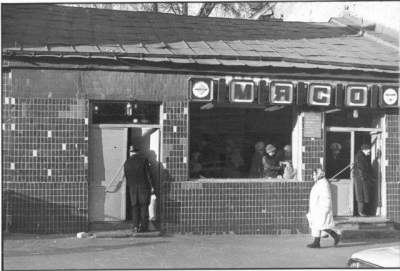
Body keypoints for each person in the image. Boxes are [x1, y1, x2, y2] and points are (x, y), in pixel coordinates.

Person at [306, 167, 340, 248]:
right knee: (318, 225)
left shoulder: (323, 184)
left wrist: (325, 209)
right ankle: (317, 242)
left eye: (314, 174)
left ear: (319, 175)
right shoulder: (319, 182)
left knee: (321, 225)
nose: (313, 176)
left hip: (321, 209)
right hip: (316, 208)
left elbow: (327, 197)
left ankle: (332, 237)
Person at [124, 146, 153, 233]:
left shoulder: (127, 162)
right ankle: (144, 227)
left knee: (135, 207)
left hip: (133, 189)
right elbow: (148, 175)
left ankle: (135, 227)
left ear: (131, 152)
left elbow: (127, 177)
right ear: (138, 151)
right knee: (144, 207)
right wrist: (151, 187)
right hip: (143, 188)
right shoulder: (144, 160)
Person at [353, 144, 374, 216]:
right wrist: (364, 177)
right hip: (361, 179)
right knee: (361, 195)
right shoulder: (360, 156)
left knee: (363, 195)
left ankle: (361, 211)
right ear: (364, 150)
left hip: (361, 178)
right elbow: (360, 168)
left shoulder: (362, 156)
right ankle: (360, 211)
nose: (370, 152)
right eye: (368, 150)